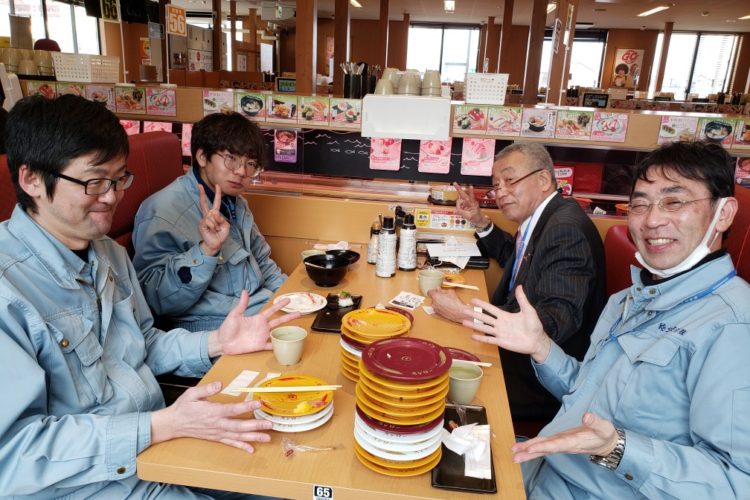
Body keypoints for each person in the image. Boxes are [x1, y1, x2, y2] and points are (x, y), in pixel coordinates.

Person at [0, 95, 299, 498]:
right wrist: (159, 426)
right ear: (32, 179)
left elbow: (144, 343)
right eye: (94, 182)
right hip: (88, 483)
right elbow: (12, 456)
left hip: (158, 444)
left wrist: (218, 342)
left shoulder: (108, 253)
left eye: (118, 179)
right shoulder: (8, 290)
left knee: (289, 476)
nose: (111, 196)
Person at [462, 141, 750, 498]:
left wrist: (618, 448)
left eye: (674, 202)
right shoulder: (627, 300)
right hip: (545, 462)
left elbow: (737, 483)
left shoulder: (733, 327)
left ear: (723, 213)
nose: (652, 220)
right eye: (640, 204)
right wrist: (540, 347)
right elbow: (588, 395)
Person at [429, 142, 606, 422]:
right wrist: (479, 221)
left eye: (510, 180)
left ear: (543, 179)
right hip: (518, 353)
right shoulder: (549, 217)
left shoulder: (565, 230)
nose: (500, 192)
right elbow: (518, 259)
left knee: (434, 379)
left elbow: (554, 322)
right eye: (496, 185)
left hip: (538, 378)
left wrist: (466, 314)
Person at [133, 112, 286, 331]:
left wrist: (290, 298)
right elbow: (155, 298)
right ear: (202, 157)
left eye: (250, 163)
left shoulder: (235, 201)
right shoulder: (162, 209)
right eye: (231, 158)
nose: (242, 171)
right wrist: (206, 251)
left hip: (253, 308)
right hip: (209, 326)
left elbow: (261, 260)